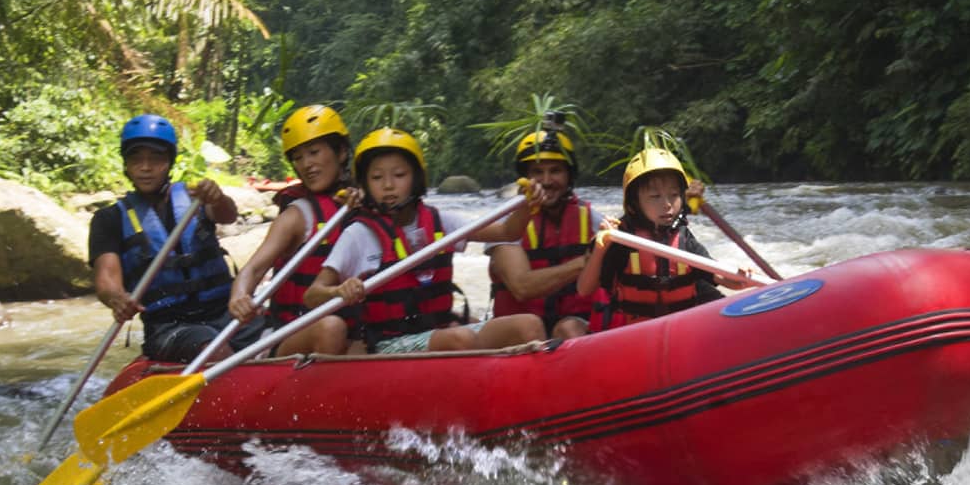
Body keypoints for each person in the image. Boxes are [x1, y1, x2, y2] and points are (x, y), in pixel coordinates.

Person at [310, 127, 550, 353]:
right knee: (459, 339)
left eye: (399, 175)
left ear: (416, 178)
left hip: (440, 330)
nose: (388, 185)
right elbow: (312, 295)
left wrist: (527, 205)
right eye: (376, 177)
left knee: (528, 325)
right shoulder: (359, 234)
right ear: (366, 184)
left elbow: (508, 232)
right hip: (388, 343)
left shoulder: (440, 221)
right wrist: (338, 291)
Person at [88, 114, 259, 364]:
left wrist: (217, 198)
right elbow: (106, 280)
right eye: (136, 158)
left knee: (275, 334)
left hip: (224, 312)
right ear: (126, 164)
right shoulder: (109, 219)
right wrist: (117, 298)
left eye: (155, 158)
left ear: (169, 162)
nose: (145, 167)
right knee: (210, 348)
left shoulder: (195, 198)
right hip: (168, 326)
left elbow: (228, 215)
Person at [227, 104, 360, 357]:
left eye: (314, 152)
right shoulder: (296, 216)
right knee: (331, 328)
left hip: (352, 331)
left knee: (367, 343)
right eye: (298, 157)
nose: (306, 164)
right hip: (287, 335)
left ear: (341, 152)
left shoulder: (364, 204)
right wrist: (239, 296)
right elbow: (253, 269)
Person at [576, 146, 723, 329]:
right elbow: (584, 289)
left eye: (674, 195)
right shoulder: (622, 239)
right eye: (655, 196)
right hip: (634, 335)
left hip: (681, 330)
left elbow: (721, 277)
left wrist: (743, 275)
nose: (667, 205)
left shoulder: (684, 238)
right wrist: (600, 250)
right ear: (633, 205)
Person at [486, 124, 596, 341]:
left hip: (571, 329)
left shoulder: (593, 221)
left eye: (555, 171)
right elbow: (522, 287)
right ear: (525, 177)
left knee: (569, 329)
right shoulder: (503, 224)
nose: (546, 181)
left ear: (569, 175)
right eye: (537, 172)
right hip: (518, 335)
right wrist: (584, 263)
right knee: (530, 326)